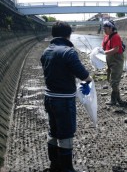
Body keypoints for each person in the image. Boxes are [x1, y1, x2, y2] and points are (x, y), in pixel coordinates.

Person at [41, 22, 92, 172]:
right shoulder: (68, 52)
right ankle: (67, 169)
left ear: (53, 34)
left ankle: (54, 165)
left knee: (54, 131)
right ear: (68, 35)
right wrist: (90, 81)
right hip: (63, 100)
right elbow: (83, 75)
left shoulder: (46, 51)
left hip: (49, 98)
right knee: (66, 134)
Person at [101, 20, 127, 106]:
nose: (105, 30)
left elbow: (116, 49)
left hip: (117, 60)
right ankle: (117, 100)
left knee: (114, 81)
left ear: (111, 28)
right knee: (110, 80)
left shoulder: (116, 36)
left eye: (106, 29)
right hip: (109, 60)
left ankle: (116, 100)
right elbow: (103, 47)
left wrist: (105, 52)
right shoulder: (106, 36)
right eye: (104, 29)